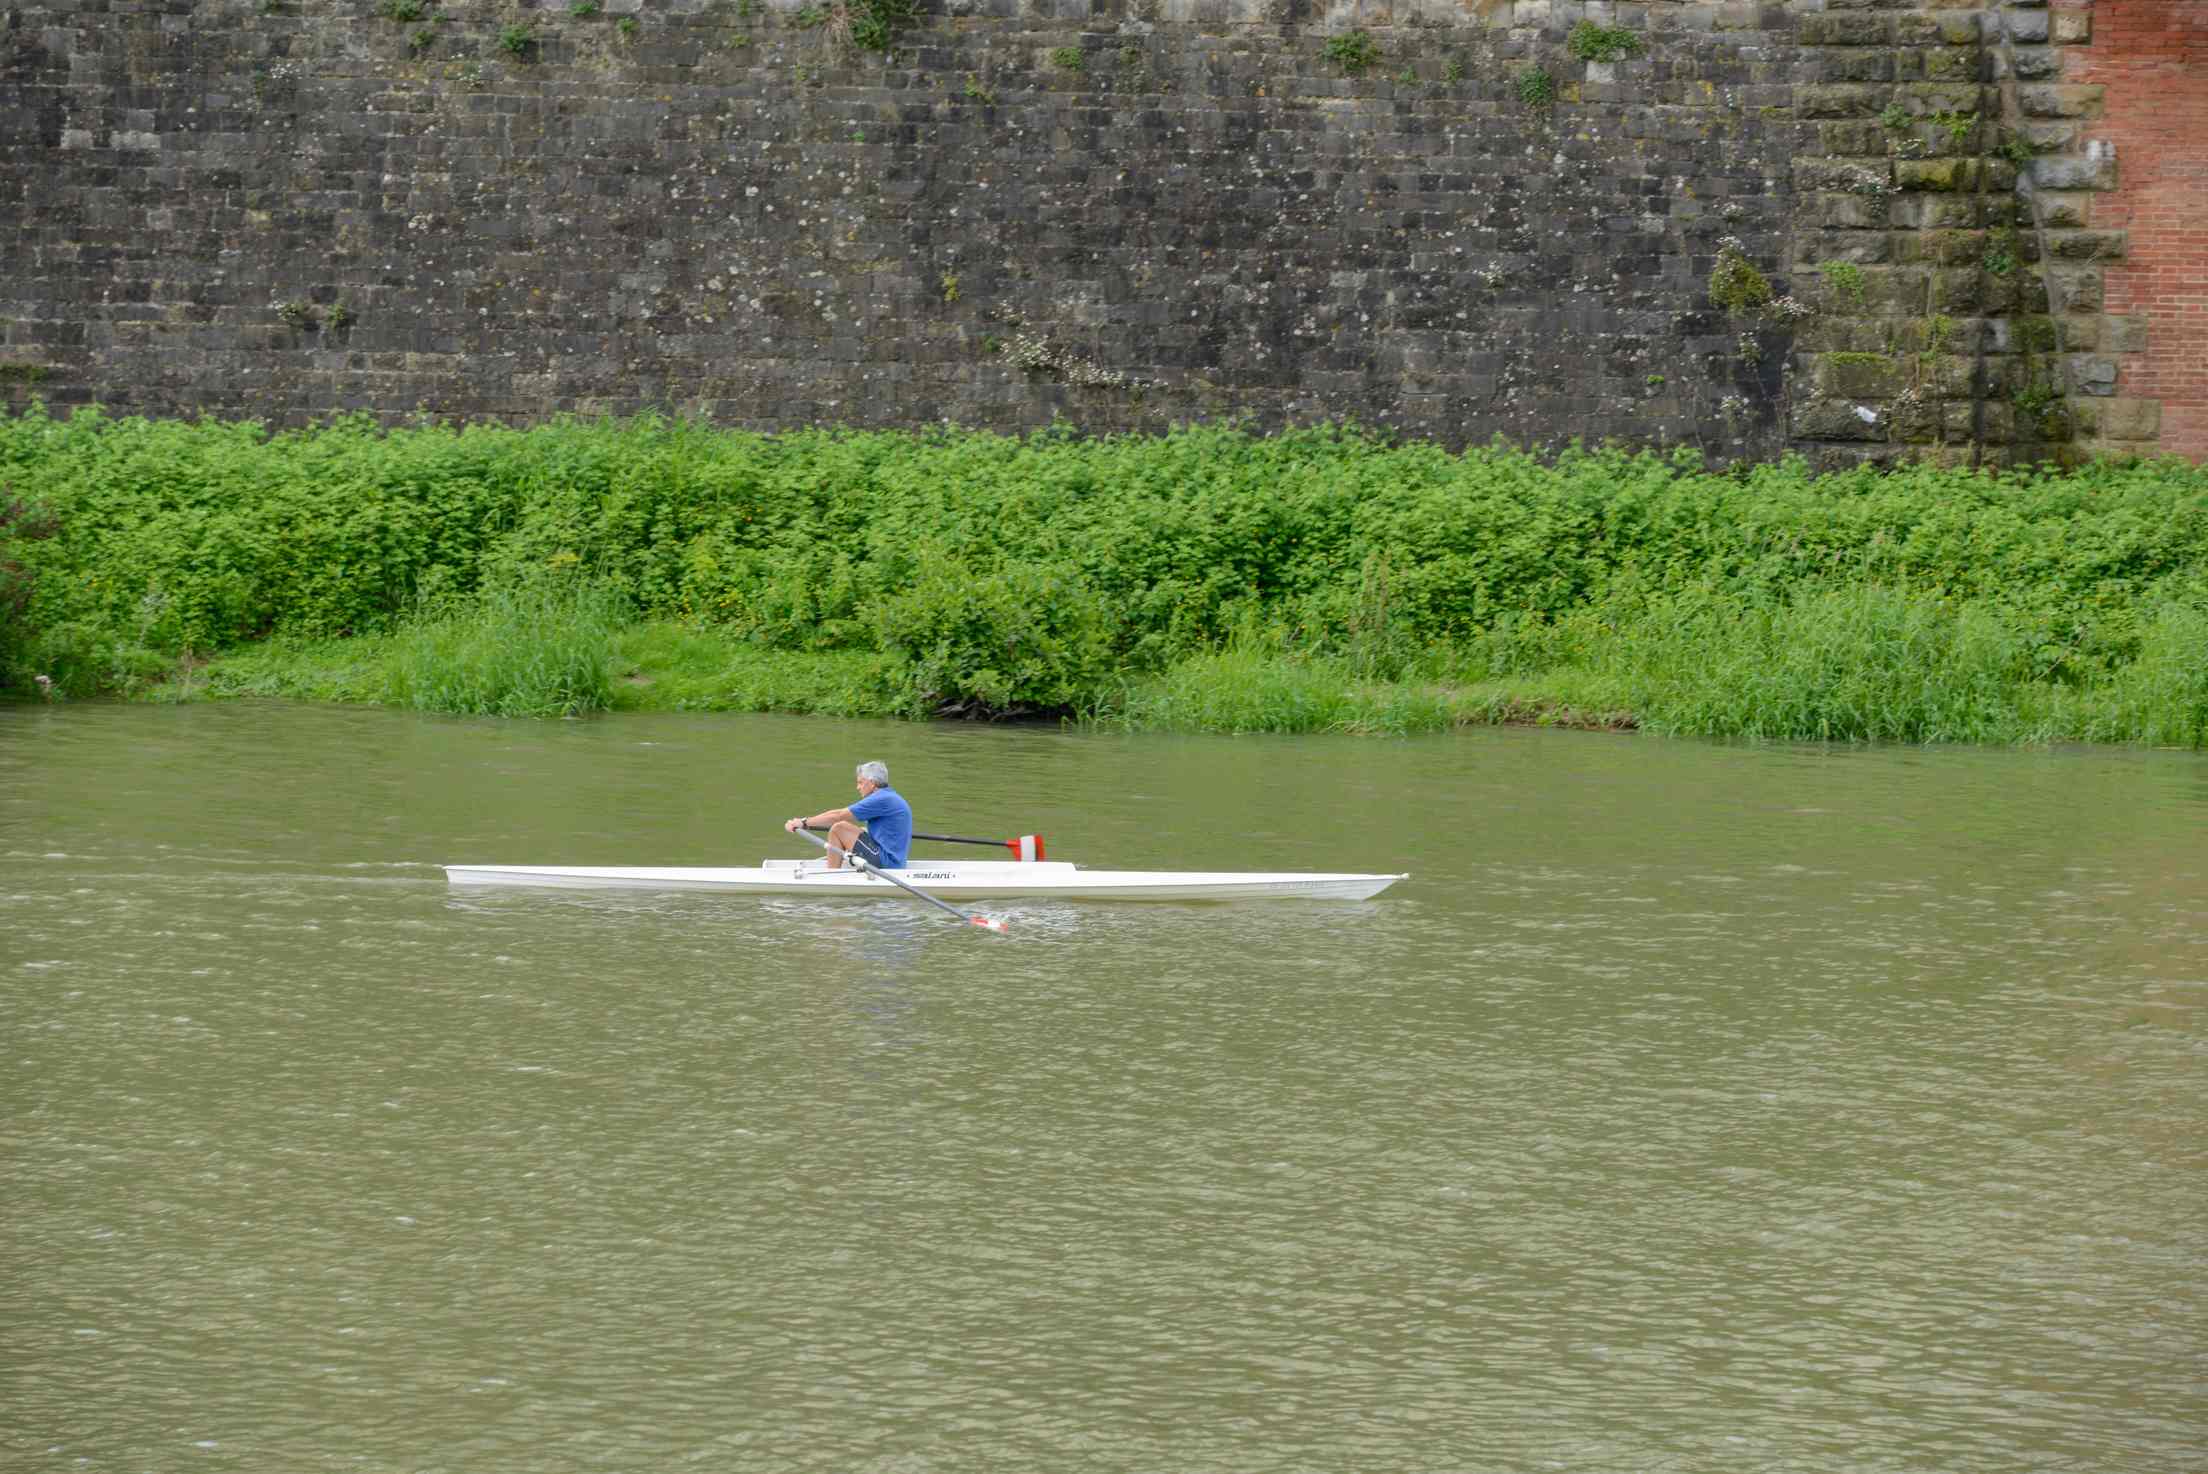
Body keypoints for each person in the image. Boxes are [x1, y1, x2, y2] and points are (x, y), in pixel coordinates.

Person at [785, 760, 912, 871]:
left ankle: (831, 876)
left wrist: (804, 822)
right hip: (895, 861)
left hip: (887, 864)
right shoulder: (889, 796)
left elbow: (838, 815)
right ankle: (835, 867)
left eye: (861, 783)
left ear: (872, 783)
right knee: (858, 831)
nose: (858, 787)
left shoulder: (881, 799)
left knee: (838, 829)